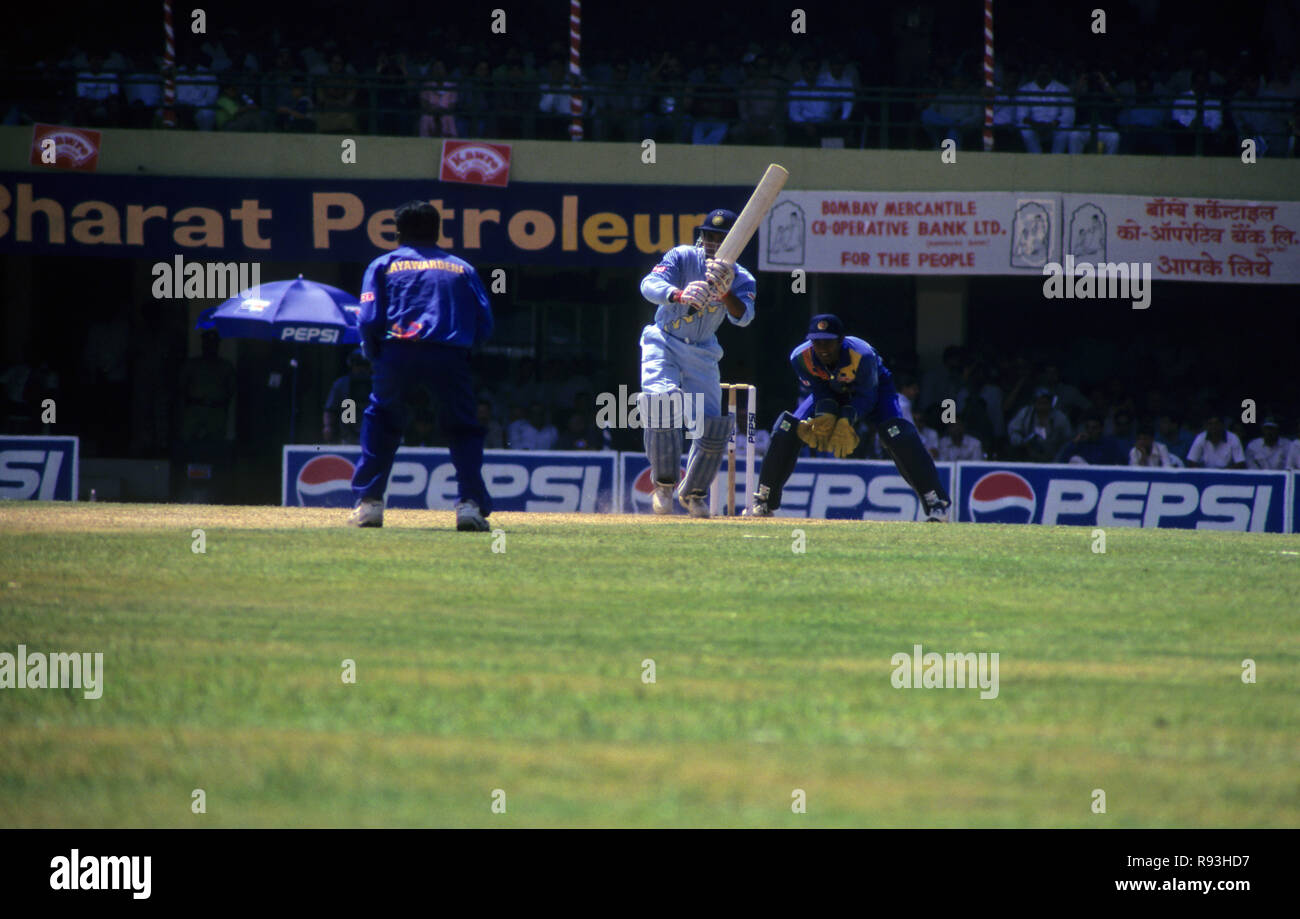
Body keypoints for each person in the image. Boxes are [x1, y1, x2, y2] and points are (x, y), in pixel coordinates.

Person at [348, 201, 494, 530]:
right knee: (462, 428)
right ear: (438, 230)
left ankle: (370, 504)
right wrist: (466, 352)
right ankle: (469, 506)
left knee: (382, 422)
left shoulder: (382, 264)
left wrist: (375, 355)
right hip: (449, 354)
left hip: (396, 353)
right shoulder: (462, 268)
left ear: (398, 232)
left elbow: (369, 319)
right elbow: (485, 322)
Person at [749, 314, 952, 521]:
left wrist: (845, 420)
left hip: (874, 392)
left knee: (897, 433)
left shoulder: (862, 354)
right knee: (787, 427)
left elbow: (868, 397)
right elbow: (819, 389)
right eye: (817, 342)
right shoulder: (800, 358)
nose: (823, 348)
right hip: (829, 391)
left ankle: (936, 503)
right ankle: (764, 500)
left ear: (840, 340)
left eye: (828, 342)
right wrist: (824, 415)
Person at [638, 207, 756, 517]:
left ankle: (693, 493)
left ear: (734, 241)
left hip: (703, 351)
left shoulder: (742, 277)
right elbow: (648, 285)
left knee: (714, 426)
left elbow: (744, 318)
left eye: (719, 238)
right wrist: (678, 294)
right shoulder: (681, 257)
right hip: (663, 340)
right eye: (707, 236)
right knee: (661, 401)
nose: (711, 243)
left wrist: (725, 291)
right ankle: (664, 485)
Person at [322, 350, 371, 444]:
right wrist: (328, 426)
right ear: (352, 366)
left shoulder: (378, 385)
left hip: (373, 433)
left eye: (365, 366)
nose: (361, 369)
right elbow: (330, 409)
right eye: (358, 365)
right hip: (347, 435)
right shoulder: (341, 384)